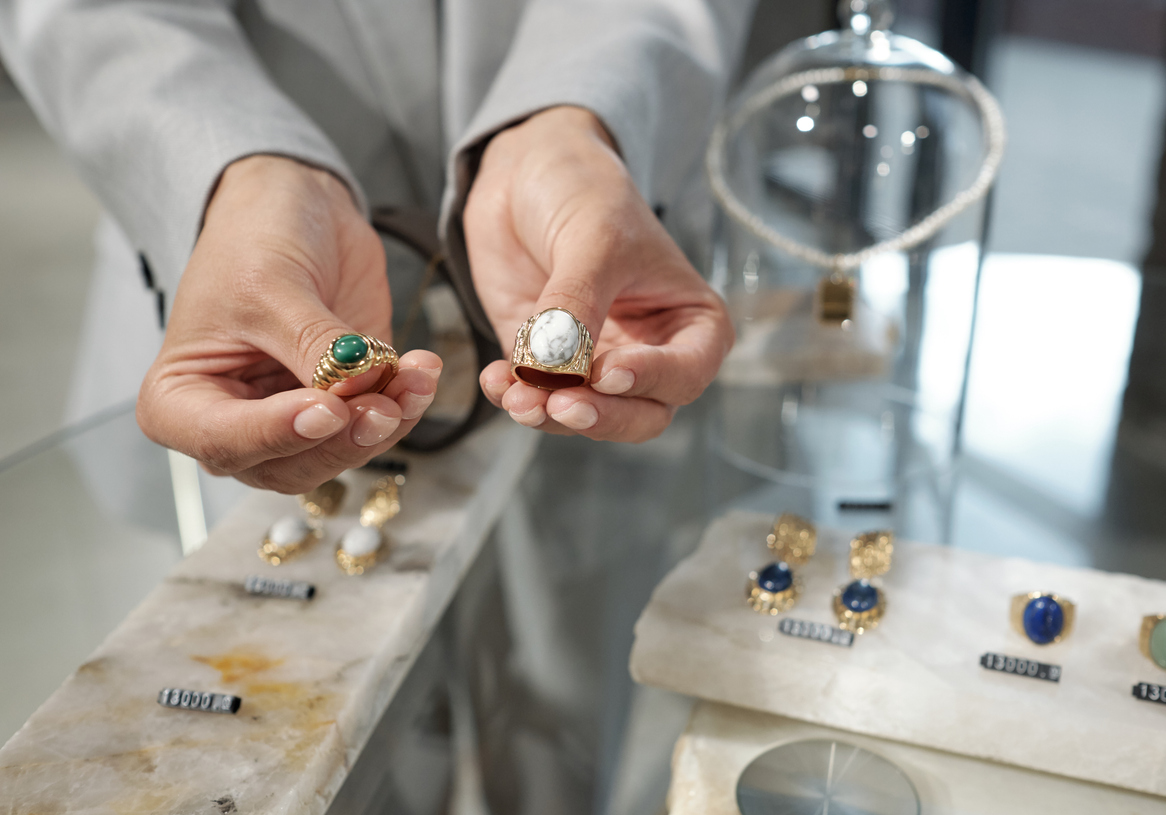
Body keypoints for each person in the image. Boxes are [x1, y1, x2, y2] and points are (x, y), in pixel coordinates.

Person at [0, 0, 753, 493]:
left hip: (597, 260)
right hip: (245, 315)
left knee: (568, 683)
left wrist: (577, 116)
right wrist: (237, 170)